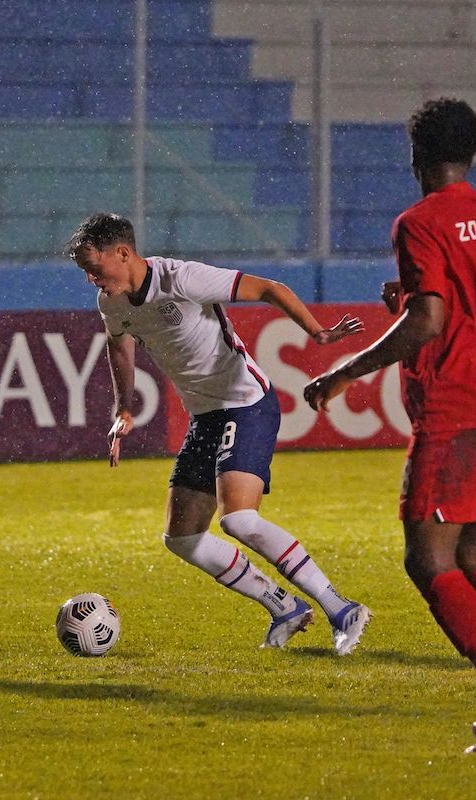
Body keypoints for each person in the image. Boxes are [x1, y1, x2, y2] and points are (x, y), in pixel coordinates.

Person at [303, 98, 476, 751]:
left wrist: (345, 371)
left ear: (416, 157)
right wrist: (416, 300)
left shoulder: (419, 221)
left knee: (427, 557)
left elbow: (429, 323)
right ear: (471, 152)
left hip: (460, 408)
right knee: (474, 551)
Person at [65, 212, 372, 655]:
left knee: (239, 520)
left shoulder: (183, 278)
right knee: (183, 538)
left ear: (123, 253)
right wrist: (125, 408)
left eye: (95, 267)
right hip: (205, 416)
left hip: (245, 402)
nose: (91, 278)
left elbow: (269, 289)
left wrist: (317, 333)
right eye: (85, 271)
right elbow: (119, 343)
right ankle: (284, 607)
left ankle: (341, 608)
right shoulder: (111, 303)